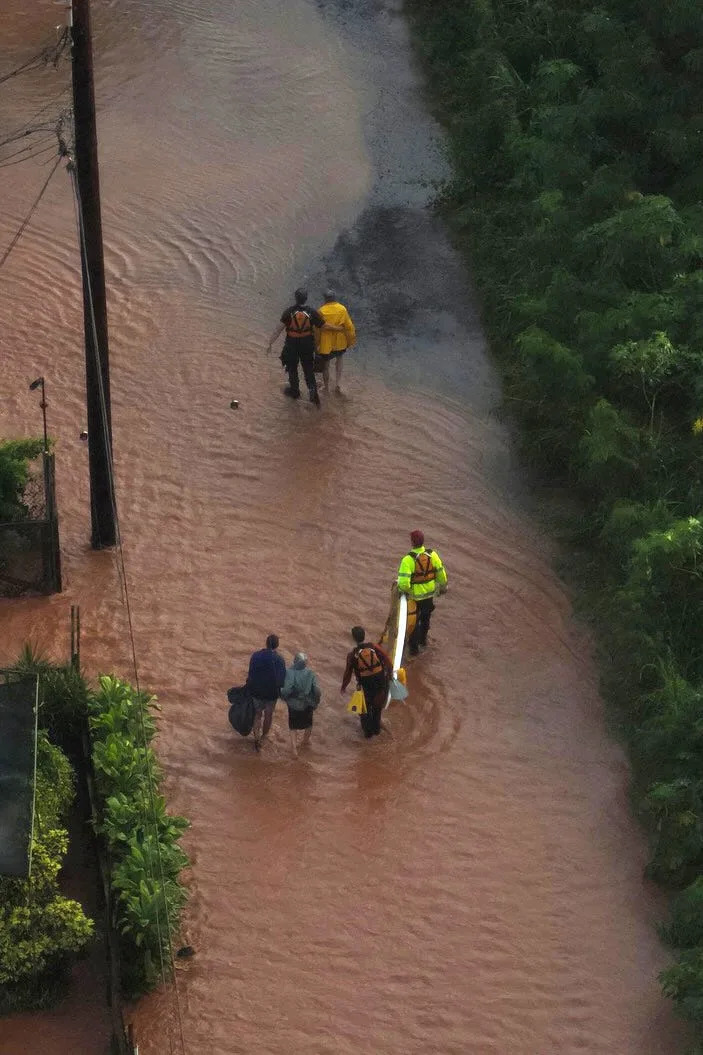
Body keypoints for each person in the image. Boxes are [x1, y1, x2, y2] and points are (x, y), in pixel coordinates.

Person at [267, 288, 341, 406]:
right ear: (306, 298)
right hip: (307, 345)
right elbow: (324, 326)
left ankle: (295, 392)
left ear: (295, 298)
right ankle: (314, 397)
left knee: (292, 369)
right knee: (308, 370)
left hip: (291, 345)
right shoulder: (312, 312)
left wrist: (270, 343)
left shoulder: (288, 312)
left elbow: (278, 330)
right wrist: (338, 328)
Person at [397, 530, 448, 655]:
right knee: (425, 619)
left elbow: (404, 584)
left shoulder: (408, 560)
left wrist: (403, 591)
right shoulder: (433, 555)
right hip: (429, 596)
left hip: (414, 598)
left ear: (412, 542)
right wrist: (442, 587)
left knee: (413, 623)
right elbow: (441, 575)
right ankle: (423, 642)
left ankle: (414, 650)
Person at [340, 625, 392, 738]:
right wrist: (390, 676)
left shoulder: (352, 655)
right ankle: (377, 731)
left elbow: (348, 674)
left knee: (364, 711)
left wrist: (343, 687)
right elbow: (388, 660)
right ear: (364, 635)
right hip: (380, 682)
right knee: (377, 709)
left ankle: (368, 736)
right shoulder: (374, 647)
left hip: (366, 685)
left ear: (353, 638)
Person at [246, 633, 286, 750]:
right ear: (277, 645)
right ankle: (264, 737)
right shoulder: (279, 659)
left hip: (256, 690)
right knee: (268, 715)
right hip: (271, 693)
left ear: (266, 643)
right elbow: (281, 680)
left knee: (257, 714)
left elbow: (250, 674)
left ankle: (256, 738)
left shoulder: (255, 656)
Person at [280, 651, 322, 757]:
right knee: (308, 724)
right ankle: (305, 741)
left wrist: (282, 696)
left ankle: (294, 749)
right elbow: (317, 691)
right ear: (305, 663)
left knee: (293, 726)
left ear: (295, 661)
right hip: (307, 703)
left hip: (293, 704)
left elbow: (287, 690)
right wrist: (316, 702)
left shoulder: (289, 672)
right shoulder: (311, 673)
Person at [315, 289, 356, 394]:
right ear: (334, 298)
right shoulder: (342, 309)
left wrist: (316, 344)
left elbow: (317, 330)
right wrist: (350, 340)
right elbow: (349, 326)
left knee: (326, 365)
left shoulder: (321, 311)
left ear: (325, 299)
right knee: (340, 359)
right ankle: (338, 383)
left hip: (326, 343)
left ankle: (326, 387)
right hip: (340, 342)